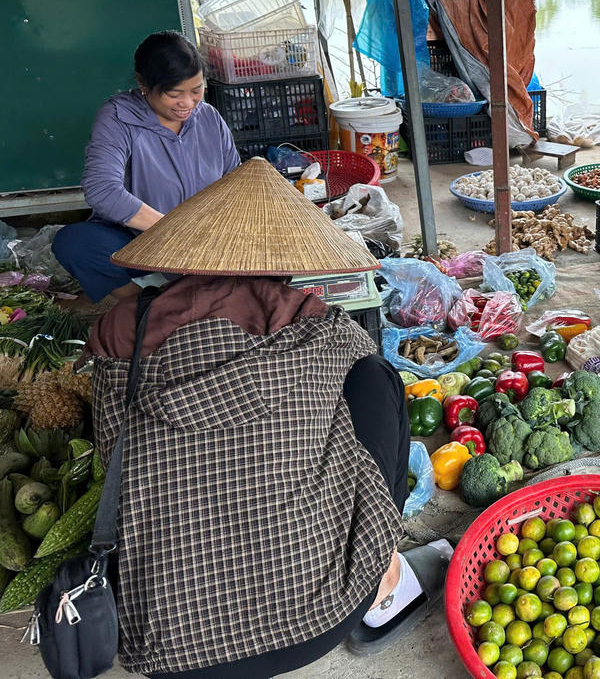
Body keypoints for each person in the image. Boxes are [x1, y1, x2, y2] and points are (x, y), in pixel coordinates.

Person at [85, 158, 451, 677]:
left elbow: (112, 455)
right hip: (321, 620)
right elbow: (357, 368)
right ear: (289, 255)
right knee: (376, 379)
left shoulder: (117, 334)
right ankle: (381, 579)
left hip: (165, 646)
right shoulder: (310, 321)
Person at [53, 31, 242, 304]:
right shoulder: (118, 117)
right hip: (141, 242)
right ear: (144, 84)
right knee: (75, 243)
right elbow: (102, 190)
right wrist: (171, 232)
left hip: (205, 244)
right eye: (173, 94)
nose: (187, 104)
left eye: (196, 90)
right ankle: (146, 303)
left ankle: (192, 289)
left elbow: (234, 181)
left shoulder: (210, 118)